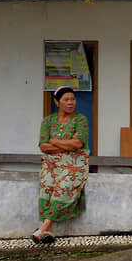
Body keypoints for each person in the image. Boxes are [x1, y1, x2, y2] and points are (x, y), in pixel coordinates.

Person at [32, 86, 89, 244]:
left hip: (75, 163)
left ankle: (42, 228)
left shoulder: (81, 120)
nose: (71, 102)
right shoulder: (48, 121)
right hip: (52, 163)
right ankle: (49, 232)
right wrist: (65, 146)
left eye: (73, 99)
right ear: (57, 102)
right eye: (66, 100)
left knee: (64, 184)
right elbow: (43, 146)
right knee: (47, 186)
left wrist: (55, 142)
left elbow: (77, 143)